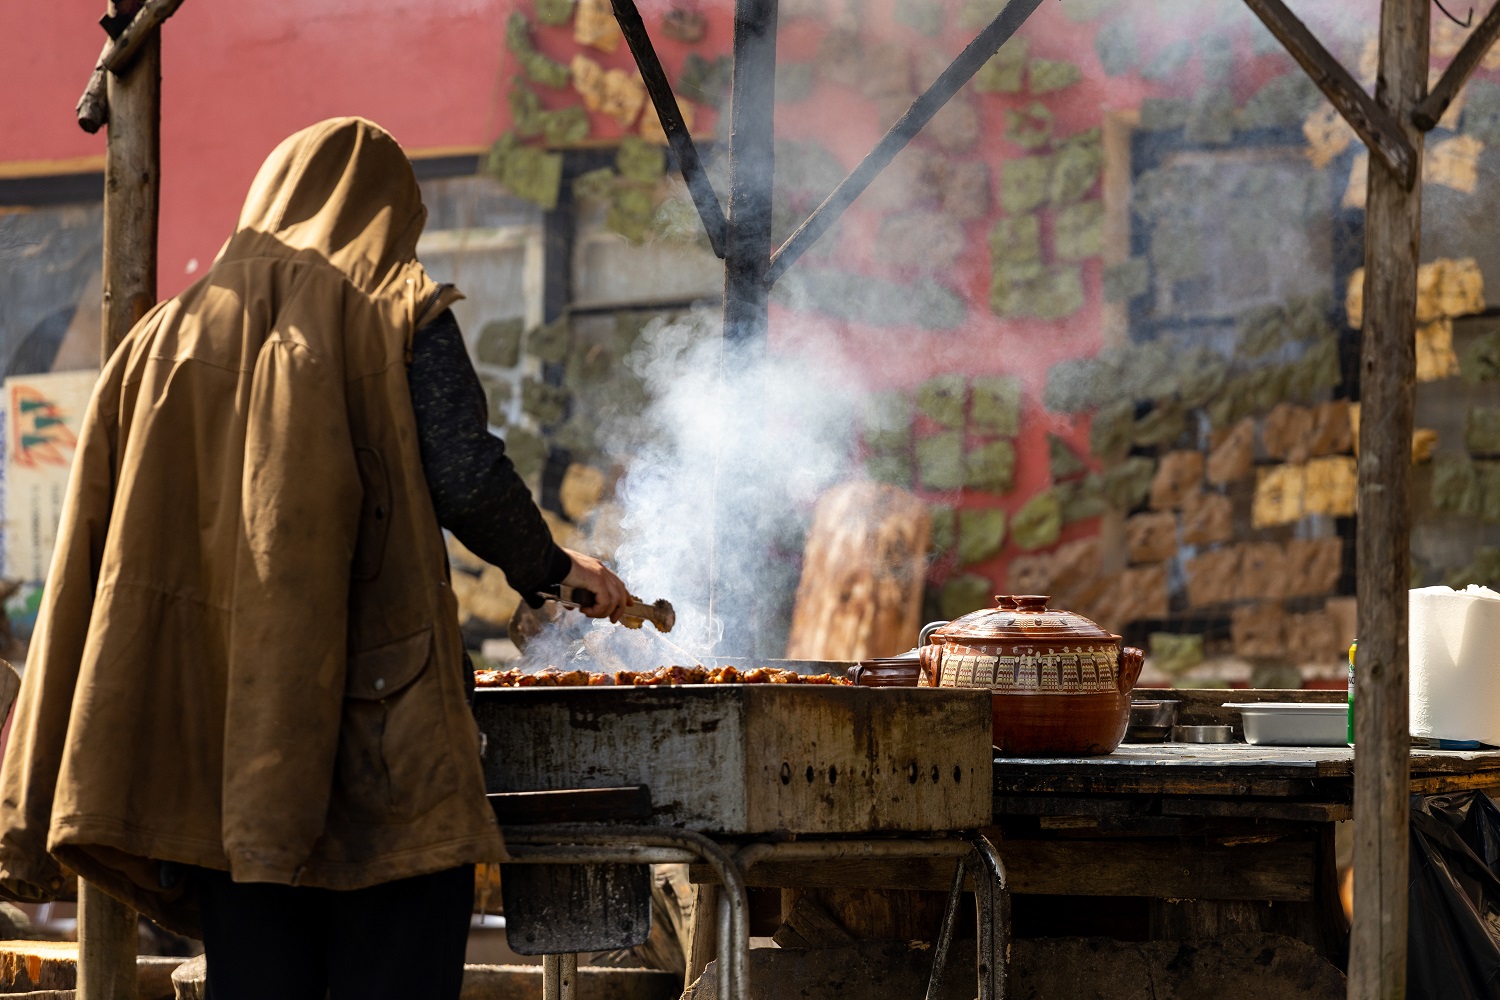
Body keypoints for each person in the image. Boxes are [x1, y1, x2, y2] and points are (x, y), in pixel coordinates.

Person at [0, 117, 627, 998]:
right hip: (380, 736)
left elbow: (95, 540)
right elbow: (470, 480)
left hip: (220, 751)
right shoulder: (396, 309)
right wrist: (556, 571)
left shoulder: (159, 337)